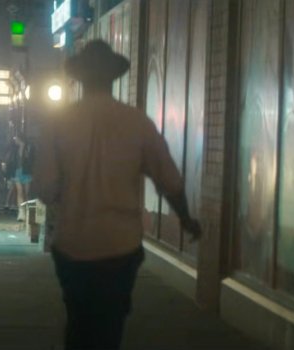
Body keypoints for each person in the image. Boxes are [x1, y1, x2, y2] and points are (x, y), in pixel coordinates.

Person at [33, 40, 202, 350]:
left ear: (80, 78)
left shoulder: (58, 123)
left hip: (73, 242)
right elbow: (169, 180)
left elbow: (44, 186)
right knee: (110, 325)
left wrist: (69, 197)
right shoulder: (137, 123)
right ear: (113, 77)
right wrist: (187, 218)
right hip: (119, 245)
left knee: (79, 320)